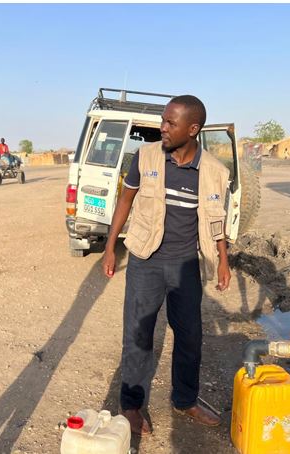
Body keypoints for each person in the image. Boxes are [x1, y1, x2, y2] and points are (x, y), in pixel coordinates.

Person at [102, 95, 231, 436]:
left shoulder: (215, 172)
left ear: (193, 129)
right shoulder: (145, 156)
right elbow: (125, 200)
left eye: (171, 123)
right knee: (138, 335)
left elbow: (217, 221)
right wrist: (111, 247)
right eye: (163, 120)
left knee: (190, 336)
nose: (163, 127)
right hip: (145, 260)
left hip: (186, 265)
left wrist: (223, 260)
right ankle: (130, 406)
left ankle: (185, 400)